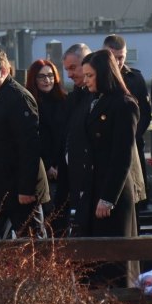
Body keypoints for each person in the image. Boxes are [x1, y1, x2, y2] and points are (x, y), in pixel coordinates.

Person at [76, 49, 141, 286]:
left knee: (115, 266)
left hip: (110, 195)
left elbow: (122, 156)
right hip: (92, 190)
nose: (86, 81)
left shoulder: (124, 104)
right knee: (93, 265)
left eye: (90, 76)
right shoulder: (93, 101)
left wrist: (108, 198)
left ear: (104, 74)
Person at [0, 49, 48, 239]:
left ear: (4, 71)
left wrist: (26, 189)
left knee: (33, 245)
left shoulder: (18, 98)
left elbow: (29, 146)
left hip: (20, 192)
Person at [103, 34, 151, 206]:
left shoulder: (135, 79)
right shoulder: (97, 78)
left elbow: (145, 113)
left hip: (133, 144)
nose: (117, 62)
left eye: (121, 57)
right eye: (113, 57)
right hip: (106, 144)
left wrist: (132, 135)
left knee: (135, 199)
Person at [25, 59, 69, 233]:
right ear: (34, 79)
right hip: (42, 167)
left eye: (50, 76)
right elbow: (33, 139)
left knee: (62, 220)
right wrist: (48, 164)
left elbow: (67, 135)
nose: (47, 80)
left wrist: (60, 163)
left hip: (63, 167)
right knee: (47, 218)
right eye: (41, 76)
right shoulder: (29, 102)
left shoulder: (65, 101)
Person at [62, 43, 93, 215]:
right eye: (67, 69)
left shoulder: (101, 97)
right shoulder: (74, 98)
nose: (69, 74)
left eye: (73, 68)